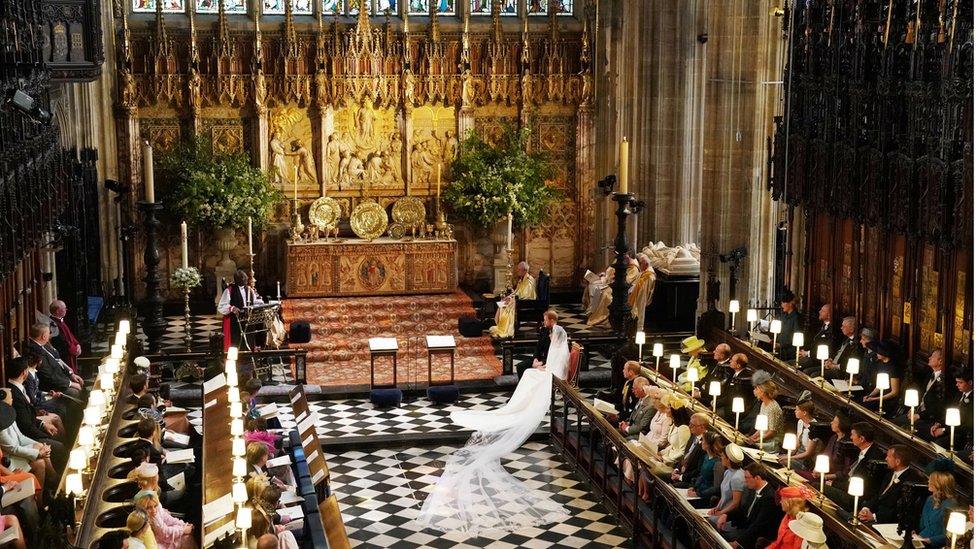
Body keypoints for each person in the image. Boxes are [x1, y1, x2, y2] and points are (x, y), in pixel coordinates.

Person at [415, 311, 570, 536]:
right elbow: (542, 352)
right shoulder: (545, 334)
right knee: (527, 372)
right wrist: (538, 362)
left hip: (550, 373)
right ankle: (516, 403)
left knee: (529, 374)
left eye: (546, 320)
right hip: (543, 367)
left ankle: (520, 403)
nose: (545, 324)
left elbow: (558, 363)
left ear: (552, 323)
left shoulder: (557, 337)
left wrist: (541, 366)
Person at [0, 389, 58, 491]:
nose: (12, 400)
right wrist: (38, 454)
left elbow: (21, 437)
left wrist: (40, 447)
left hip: (17, 451)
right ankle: (42, 498)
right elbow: (13, 449)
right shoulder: (2, 422)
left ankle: (52, 479)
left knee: (40, 446)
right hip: (9, 459)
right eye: (10, 398)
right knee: (40, 462)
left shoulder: (9, 413)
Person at [824, 421, 884, 508]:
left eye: (853, 435)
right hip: (846, 486)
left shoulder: (874, 458)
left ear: (862, 439)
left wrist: (834, 484)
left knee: (817, 486)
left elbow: (861, 483)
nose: (851, 437)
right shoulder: (861, 450)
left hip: (855, 497)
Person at [6, 357, 64, 445]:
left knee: (56, 419)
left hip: (33, 419)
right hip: (27, 433)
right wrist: (45, 433)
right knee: (60, 446)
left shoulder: (16, 386)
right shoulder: (14, 394)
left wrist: (42, 422)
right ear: (24, 373)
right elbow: (25, 426)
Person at [722, 463, 782, 548]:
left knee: (722, 539)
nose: (744, 480)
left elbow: (758, 526)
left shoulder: (769, 498)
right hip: (745, 528)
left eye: (746, 477)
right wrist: (726, 515)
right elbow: (743, 510)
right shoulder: (752, 489)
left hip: (755, 537)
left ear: (757, 478)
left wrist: (738, 543)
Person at [857, 445, 920, 524]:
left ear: (897, 461)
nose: (886, 459)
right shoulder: (889, 474)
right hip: (873, 514)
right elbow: (878, 496)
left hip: (886, 522)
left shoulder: (911, 481)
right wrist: (866, 509)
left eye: (889, 457)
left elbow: (900, 510)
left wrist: (874, 517)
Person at [26, 323, 83, 398]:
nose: (50, 335)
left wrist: (71, 374)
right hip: (50, 386)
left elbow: (58, 360)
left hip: (61, 378)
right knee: (74, 392)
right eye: (49, 333)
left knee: (80, 382)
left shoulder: (43, 344)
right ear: (44, 336)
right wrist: (70, 383)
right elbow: (49, 376)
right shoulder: (35, 351)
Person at [898, 349, 948, 433]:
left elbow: (938, 408)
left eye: (932, 356)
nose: (929, 358)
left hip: (928, 418)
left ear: (940, 361)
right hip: (917, 412)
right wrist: (913, 408)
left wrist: (919, 415)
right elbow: (922, 394)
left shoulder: (945, 382)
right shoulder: (929, 374)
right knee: (893, 423)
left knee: (903, 430)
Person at [217, 270, 264, 351]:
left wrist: (261, 302)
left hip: (248, 319)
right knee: (235, 343)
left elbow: (256, 302)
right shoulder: (229, 291)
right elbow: (221, 306)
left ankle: (249, 353)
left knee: (249, 337)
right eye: (241, 278)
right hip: (234, 321)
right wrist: (232, 308)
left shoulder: (250, 290)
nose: (244, 280)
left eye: (245, 278)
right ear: (236, 280)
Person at [799, 412, 852, 483]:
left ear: (841, 424)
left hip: (834, 479)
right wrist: (816, 469)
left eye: (834, 422)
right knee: (796, 474)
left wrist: (826, 477)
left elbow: (845, 472)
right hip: (822, 474)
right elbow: (825, 455)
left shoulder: (847, 445)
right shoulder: (833, 438)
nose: (831, 423)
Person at [488, 262, 536, 339]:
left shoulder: (529, 281)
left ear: (524, 270)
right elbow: (516, 291)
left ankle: (505, 329)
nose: (517, 271)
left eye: (519, 270)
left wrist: (511, 299)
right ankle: (500, 326)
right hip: (518, 300)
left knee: (507, 306)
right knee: (503, 303)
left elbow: (526, 295)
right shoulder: (522, 279)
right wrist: (509, 297)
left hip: (526, 303)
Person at [803, 316, 860, 381]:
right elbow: (837, 352)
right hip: (831, 365)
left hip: (840, 371)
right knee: (806, 371)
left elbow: (848, 363)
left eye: (844, 326)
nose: (841, 328)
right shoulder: (845, 338)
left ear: (851, 329)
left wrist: (833, 366)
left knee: (814, 375)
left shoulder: (856, 344)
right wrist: (830, 360)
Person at [930, 368, 973, 449]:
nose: (957, 385)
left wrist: (943, 430)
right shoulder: (959, 394)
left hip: (962, 434)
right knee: (928, 434)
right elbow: (950, 412)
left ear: (970, 382)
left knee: (939, 443)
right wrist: (939, 424)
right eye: (957, 382)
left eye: (960, 382)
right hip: (950, 428)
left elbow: (967, 426)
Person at [917, 465, 958, 548]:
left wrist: (929, 540)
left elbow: (949, 534)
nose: (928, 481)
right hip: (920, 540)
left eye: (931, 480)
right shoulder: (930, 499)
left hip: (935, 545)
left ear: (939, 484)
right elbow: (922, 524)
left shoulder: (951, 505)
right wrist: (914, 533)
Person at [707, 443, 745, 527]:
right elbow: (724, 496)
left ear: (728, 460)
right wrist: (716, 508)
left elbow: (735, 503)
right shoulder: (728, 472)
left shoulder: (737, 478)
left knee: (707, 522)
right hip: (722, 509)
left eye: (723, 456)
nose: (721, 458)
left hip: (729, 515)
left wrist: (721, 513)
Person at [517, 310, 559, 379]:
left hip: (549, 362)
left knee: (537, 372)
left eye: (545, 320)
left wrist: (541, 363)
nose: (544, 322)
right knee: (520, 366)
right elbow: (538, 347)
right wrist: (535, 359)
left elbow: (555, 355)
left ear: (551, 321)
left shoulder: (557, 333)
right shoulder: (543, 330)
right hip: (539, 359)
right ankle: (524, 388)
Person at [685, 433, 725, 507]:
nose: (701, 442)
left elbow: (716, 487)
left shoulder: (718, 463)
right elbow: (701, 475)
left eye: (703, 440)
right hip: (699, 490)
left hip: (706, 496)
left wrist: (698, 494)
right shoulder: (706, 456)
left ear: (708, 445)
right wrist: (694, 487)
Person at [862, 340, 902, 415]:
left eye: (879, 352)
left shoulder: (893, 368)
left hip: (887, 400)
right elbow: (878, 386)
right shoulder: (880, 363)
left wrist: (874, 399)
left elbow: (894, 392)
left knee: (867, 407)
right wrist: (870, 395)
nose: (877, 353)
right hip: (878, 395)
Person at [669, 412, 708, 487]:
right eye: (690, 423)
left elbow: (698, 470)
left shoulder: (706, 443)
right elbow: (685, 456)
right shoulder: (693, 436)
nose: (689, 426)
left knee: (670, 488)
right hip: (681, 472)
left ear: (702, 427)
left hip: (690, 480)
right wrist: (677, 469)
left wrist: (681, 477)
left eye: (692, 425)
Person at [780, 399, 820, 470]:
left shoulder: (815, 427)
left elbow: (808, 453)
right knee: (778, 458)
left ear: (804, 412)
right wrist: (788, 455)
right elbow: (798, 444)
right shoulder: (800, 422)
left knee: (783, 462)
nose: (795, 411)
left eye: (797, 410)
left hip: (806, 461)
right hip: (796, 456)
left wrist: (789, 458)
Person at [797, 304, 840, 371]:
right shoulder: (820, 325)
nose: (819, 312)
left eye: (822, 311)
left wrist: (807, 353)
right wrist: (805, 352)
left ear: (829, 315)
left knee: (795, 366)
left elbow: (828, 348)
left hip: (819, 359)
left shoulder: (834, 330)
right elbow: (813, 342)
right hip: (811, 355)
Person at [749, 375, 785, 451]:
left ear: (763, 392)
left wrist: (758, 440)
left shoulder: (773, 408)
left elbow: (772, 432)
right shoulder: (763, 403)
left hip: (773, 442)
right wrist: (753, 436)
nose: (754, 391)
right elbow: (762, 428)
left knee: (751, 447)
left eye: (756, 389)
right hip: (763, 438)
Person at [48, 300, 81, 375]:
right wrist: (75, 350)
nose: (66, 310)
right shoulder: (53, 323)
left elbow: (70, 334)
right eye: (64, 308)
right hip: (65, 355)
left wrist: (77, 344)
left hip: (70, 353)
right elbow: (63, 342)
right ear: (57, 311)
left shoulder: (60, 320)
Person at [627, 253, 656, 330]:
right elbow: (635, 285)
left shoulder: (648, 276)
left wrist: (640, 325)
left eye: (640, 263)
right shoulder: (644, 273)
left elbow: (642, 297)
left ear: (646, 264)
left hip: (640, 301)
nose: (639, 265)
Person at [772, 291, 800, 360]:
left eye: (783, 303)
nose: (781, 305)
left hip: (789, 350)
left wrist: (781, 345)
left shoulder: (796, 318)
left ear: (790, 304)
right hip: (779, 347)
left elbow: (795, 336)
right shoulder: (783, 316)